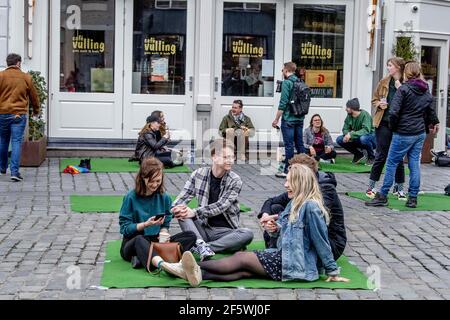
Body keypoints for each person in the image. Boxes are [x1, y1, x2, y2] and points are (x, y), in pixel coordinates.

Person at [161, 164, 349, 285]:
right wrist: (275, 230)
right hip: (285, 256)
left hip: (294, 264)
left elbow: (320, 241)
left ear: (300, 183)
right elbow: (289, 236)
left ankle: (186, 267)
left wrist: (332, 270)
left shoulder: (311, 207)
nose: (285, 185)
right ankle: (195, 274)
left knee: (242, 258)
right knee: (244, 272)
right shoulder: (295, 203)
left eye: (289, 181)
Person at [366, 61, 439, 208]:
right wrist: (434, 122)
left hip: (404, 132)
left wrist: (393, 127)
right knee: (414, 164)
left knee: (392, 162)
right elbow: (430, 112)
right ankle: (412, 198)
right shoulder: (426, 91)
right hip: (419, 133)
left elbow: (393, 111)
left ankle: (383, 195)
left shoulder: (403, 90)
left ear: (407, 73)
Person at [118, 157, 200, 285]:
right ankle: (165, 265)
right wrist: (146, 224)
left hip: (156, 242)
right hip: (132, 243)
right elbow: (124, 229)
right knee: (140, 239)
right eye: (151, 181)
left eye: (158, 180)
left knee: (191, 236)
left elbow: (165, 223)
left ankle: (145, 258)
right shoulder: (130, 197)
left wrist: (164, 233)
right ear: (143, 178)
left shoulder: (164, 197)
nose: (155, 184)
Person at [171, 139, 254, 261]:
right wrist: (177, 208)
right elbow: (182, 197)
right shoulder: (198, 174)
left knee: (247, 233)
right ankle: (201, 244)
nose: (230, 160)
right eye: (226, 157)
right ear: (214, 157)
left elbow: (221, 206)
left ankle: (206, 247)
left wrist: (194, 212)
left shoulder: (235, 180)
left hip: (225, 232)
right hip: (202, 227)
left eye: (232, 157)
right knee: (182, 212)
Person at [258, 154, 346, 260]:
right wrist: (265, 215)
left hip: (330, 243)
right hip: (306, 236)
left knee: (282, 215)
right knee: (275, 207)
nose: (287, 183)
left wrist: (277, 218)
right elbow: (271, 201)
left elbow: (308, 216)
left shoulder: (326, 189)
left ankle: (280, 254)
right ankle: (276, 249)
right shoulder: (299, 187)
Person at [367, 57, 407, 200]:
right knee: (381, 155)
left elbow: (410, 103)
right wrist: (379, 104)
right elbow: (374, 99)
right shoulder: (384, 82)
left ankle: (399, 188)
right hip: (383, 122)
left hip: (400, 125)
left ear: (398, 67)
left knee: (398, 157)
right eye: (387, 65)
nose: (388, 68)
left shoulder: (405, 83)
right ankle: (371, 187)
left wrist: (400, 89)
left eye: (390, 65)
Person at [0, 53, 40, 182]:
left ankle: (2, 168)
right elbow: (34, 96)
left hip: (2, 113)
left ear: (7, 63)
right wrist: (36, 110)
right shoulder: (25, 77)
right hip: (18, 114)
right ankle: (15, 172)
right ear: (18, 63)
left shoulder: (1, 76)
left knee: (3, 140)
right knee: (16, 142)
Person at [272, 62, 306, 178]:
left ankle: (287, 170)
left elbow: (283, 103)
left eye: (282, 70)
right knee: (300, 144)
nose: (282, 72)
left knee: (289, 145)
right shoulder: (300, 81)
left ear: (286, 70)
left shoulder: (287, 83)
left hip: (289, 119)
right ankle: (304, 168)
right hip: (300, 117)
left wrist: (276, 119)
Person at [336, 98, 376, 165]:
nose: (346, 109)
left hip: (371, 139)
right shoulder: (349, 116)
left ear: (352, 108)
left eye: (347, 107)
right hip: (357, 138)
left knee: (363, 138)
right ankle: (358, 154)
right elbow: (345, 128)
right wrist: (347, 135)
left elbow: (366, 130)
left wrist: (351, 135)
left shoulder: (365, 115)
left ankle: (371, 157)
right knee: (339, 139)